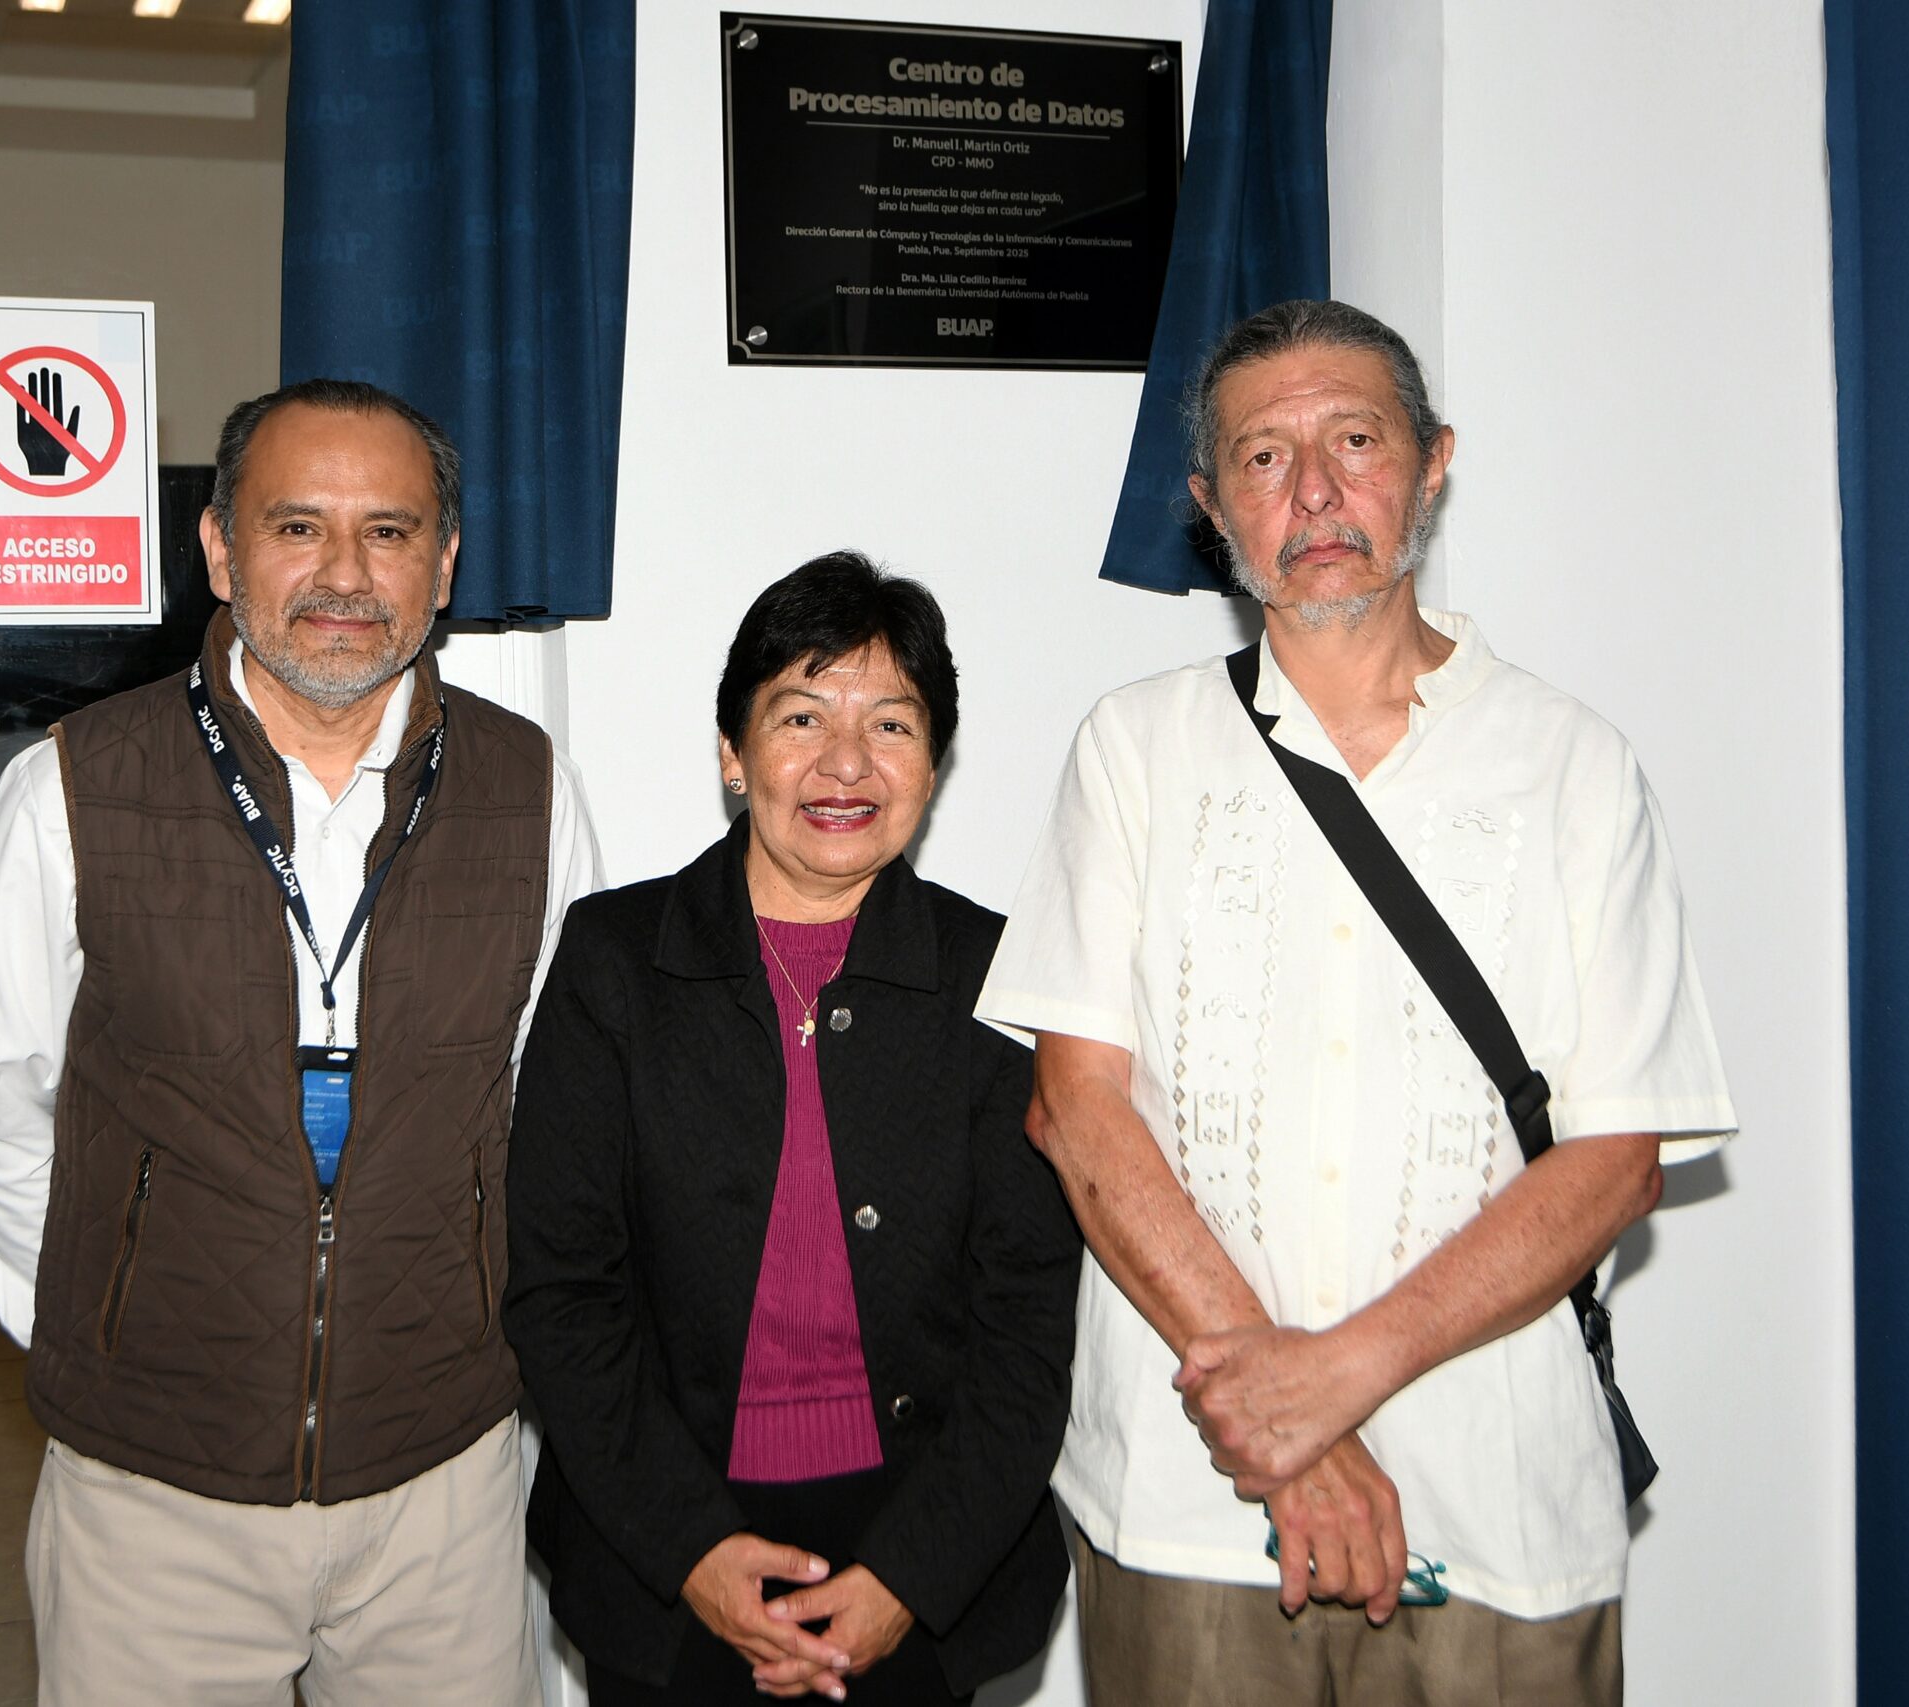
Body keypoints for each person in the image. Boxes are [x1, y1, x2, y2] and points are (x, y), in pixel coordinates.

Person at [976, 300, 1737, 1706]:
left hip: (1499, 1498)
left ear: (1433, 463)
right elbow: (1078, 1108)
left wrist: (1332, 1380)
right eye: (1263, 458)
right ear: (1212, 509)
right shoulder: (1135, 749)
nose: (1315, 491)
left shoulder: (1574, 765)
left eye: (1356, 440)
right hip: (1189, 1499)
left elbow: (1619, 1153)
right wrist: (1289, 1421)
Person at [0, 377, 599, 1706]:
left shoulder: (527, 787)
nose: (347, 572)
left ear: (445, 564)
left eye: (392, 532)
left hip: (443, 1488)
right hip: (152, 1500)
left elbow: (546, 1103)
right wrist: (107, 1323)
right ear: (222, 549)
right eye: (299, 525)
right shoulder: (70, 784)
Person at [505, 553, 1080, 1705]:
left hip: (924, 1549)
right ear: (733, 753)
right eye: (800, 716)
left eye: (892, 725)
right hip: (663, 1539)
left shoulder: (1000, 978)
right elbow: (562, 1292)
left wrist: (907, 1578)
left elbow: (1031, 1320)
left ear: (932, 762)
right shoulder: (613, 963)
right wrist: (694, 1555)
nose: (845, 765)